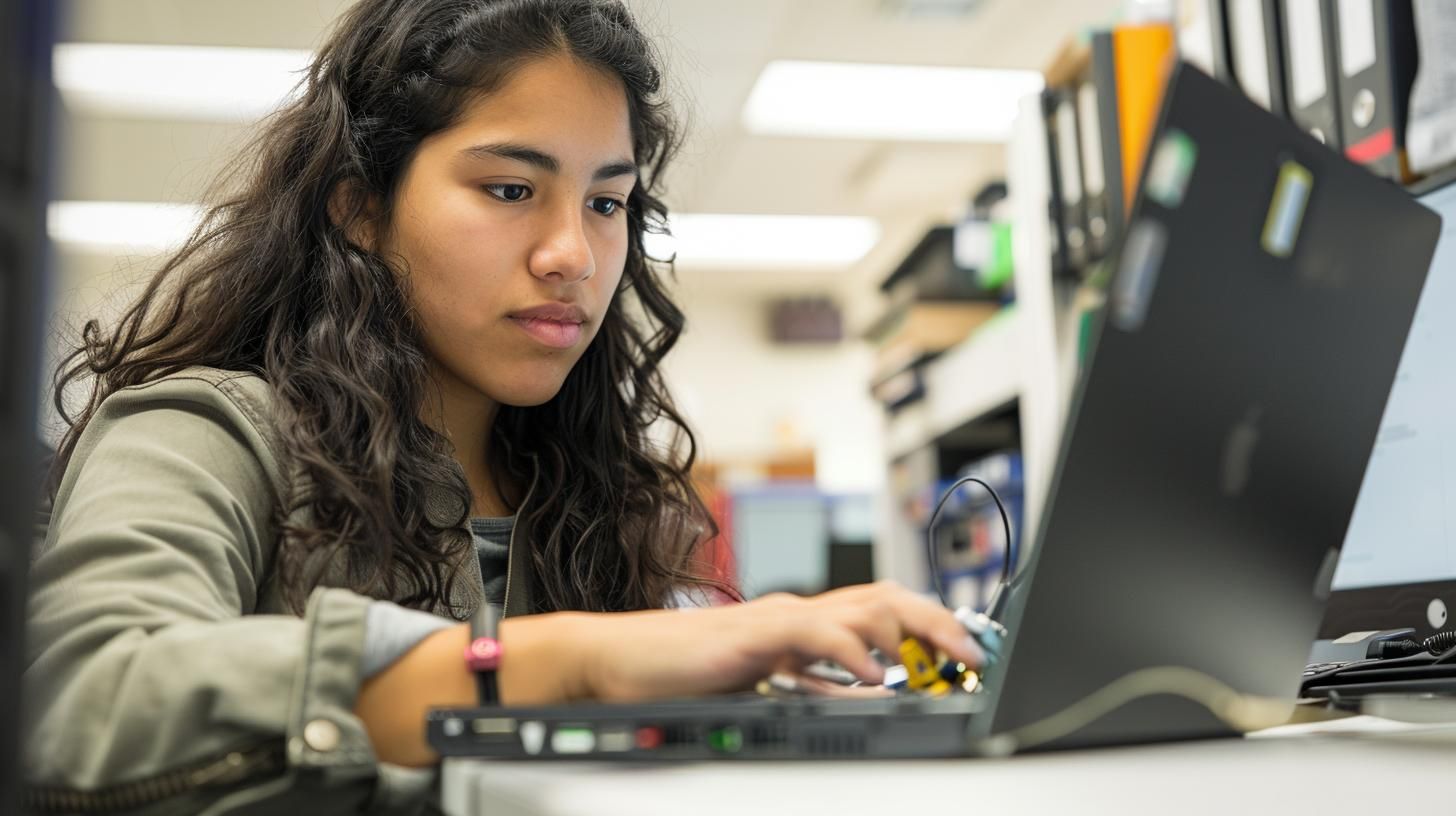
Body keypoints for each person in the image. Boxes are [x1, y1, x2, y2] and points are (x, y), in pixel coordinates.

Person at [24, 0, 984, 812]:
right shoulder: (204, 431)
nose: (572, 252)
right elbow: (81, 705)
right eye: (512, 188)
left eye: (608, 204)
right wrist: (565, 664)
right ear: (359, 208)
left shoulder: (593, 497)